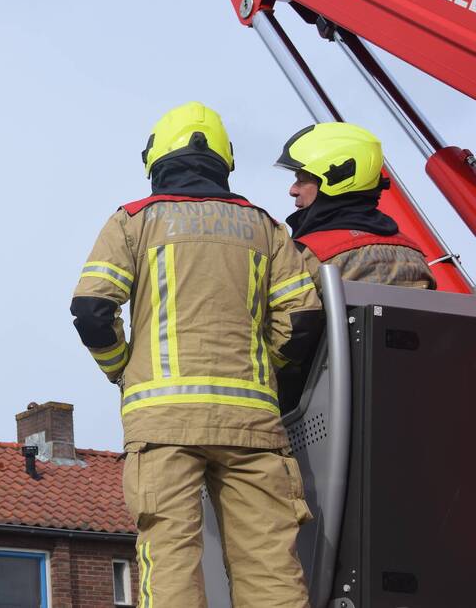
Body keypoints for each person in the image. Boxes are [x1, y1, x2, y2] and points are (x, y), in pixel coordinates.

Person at [71, 102, 323, 607]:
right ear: (224, 160)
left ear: (157, 157)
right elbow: (302, 321)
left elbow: (92, 309)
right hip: (251, 425)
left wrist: (122, 369)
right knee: (271, 568)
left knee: (170, 566)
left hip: (161, 425)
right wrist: (267, 376)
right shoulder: (266, 228)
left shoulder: (133, 222)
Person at [276, 122, 435, 289]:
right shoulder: (414, 255)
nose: (292, 190)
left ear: (337, 179)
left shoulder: (305, 256)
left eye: (302, 180)